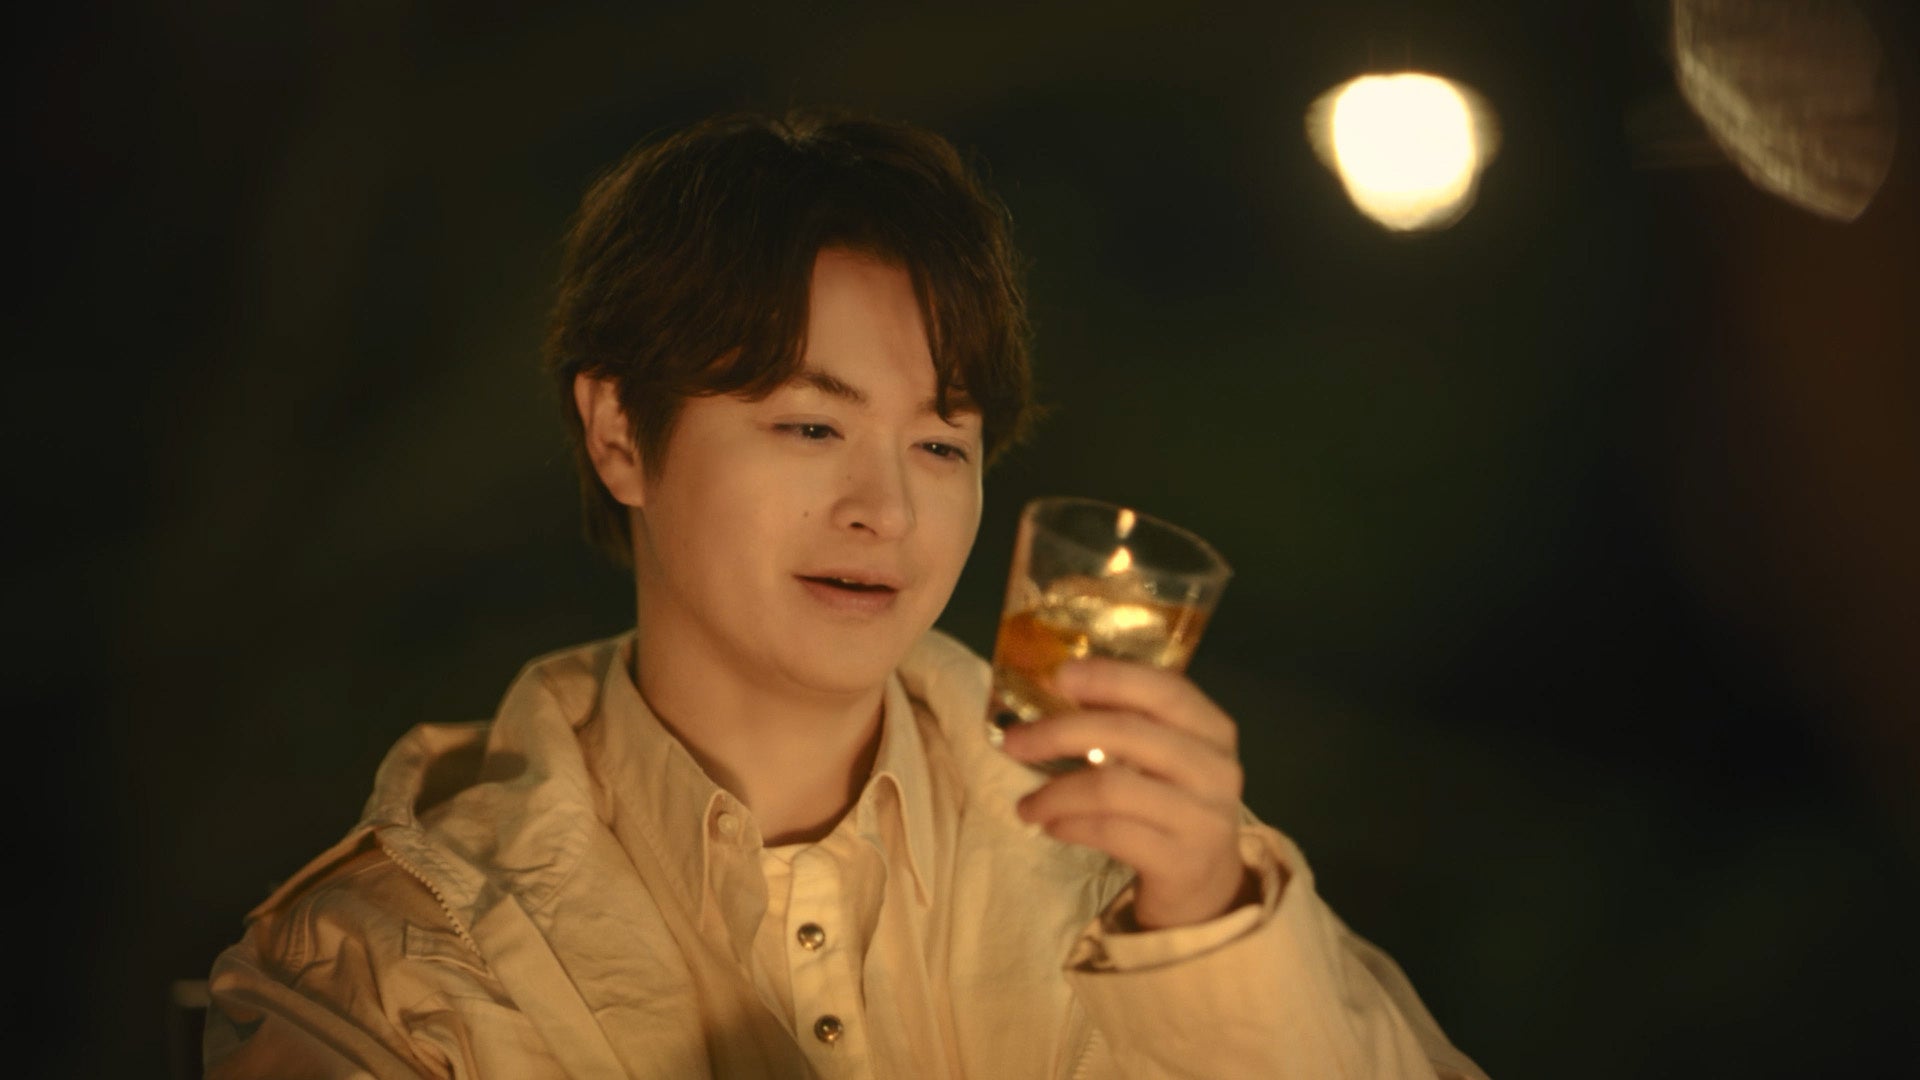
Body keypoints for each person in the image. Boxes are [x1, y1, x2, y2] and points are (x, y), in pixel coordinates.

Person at [204, 110, 1487, 1079]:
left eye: (940, 444)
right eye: (811, 427)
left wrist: (1210, 928)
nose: (888, 509)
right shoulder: (409, 959)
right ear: (619, 435)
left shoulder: (1128, 861)